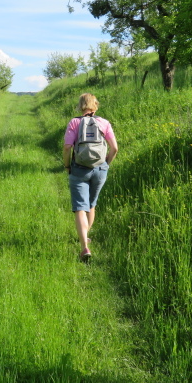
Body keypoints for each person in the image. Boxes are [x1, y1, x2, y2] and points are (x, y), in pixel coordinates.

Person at [62, 93, 118, 262]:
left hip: (79, 169)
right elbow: (114, 148)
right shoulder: (104, 122)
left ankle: (84, 247)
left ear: (80, 106)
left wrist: (67, 166)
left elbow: (66, 147)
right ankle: (85, 237)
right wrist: (105, 164)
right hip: (100, 168)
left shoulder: (75, 122)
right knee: (91, 205)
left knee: (80, 207)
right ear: (96, 106)